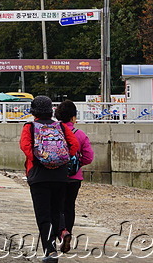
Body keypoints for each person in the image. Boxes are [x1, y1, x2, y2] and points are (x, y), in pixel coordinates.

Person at [19, 96, 80, 262]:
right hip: (60, 176)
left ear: (33, 111)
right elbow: (74, 145)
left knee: (43, 215)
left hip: (39, 176)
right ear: (51, 110)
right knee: (56, 211)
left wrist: (41, 160)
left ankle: (50, 251)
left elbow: (25, 147)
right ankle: (62, 232)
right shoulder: (60, 125)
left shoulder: (30, 127)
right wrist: (61, 159)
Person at [54, 99, 94, 253]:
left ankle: (61, 232)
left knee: (57, 206)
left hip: (56, 175)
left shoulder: (53, 132)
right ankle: (68, 233)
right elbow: (88, 157)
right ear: (73, 117)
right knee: (69, 206)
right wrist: (77, 165)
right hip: (74, 177)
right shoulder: (80, 134)